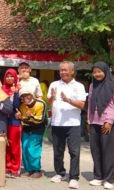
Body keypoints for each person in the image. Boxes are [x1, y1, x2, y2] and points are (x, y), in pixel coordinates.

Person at [47, 61, 86, 189]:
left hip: (73, 124)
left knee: (74, 152)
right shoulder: (54, 84)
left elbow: (82, 105)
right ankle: (60, 173)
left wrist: (68, 100)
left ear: (72, 71)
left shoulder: (79, 86)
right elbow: (49, 103)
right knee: (58, 151)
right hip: (57, 123)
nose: (63, 72)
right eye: (61, 70)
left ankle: (74, 177)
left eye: (65, 70)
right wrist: (52, 97)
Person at [88, 62, 114, 189]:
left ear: (106, 71)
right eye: (95, 72)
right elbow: (90, 103)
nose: (97, 74)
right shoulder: (92, 85)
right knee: (95, 150)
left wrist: (110, 121)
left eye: (99, 71)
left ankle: (109, 179)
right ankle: (98, 177)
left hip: (108, 123)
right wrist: (89, 121)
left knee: (108, 151)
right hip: (94, 122)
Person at [16, 85, 47, 179]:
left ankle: (37, 170)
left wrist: (29, 117)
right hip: (27, 129)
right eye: (22, 96)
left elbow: (39, 120)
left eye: (27, 95)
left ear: (31, 95)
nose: (25, 98)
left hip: (38, 129)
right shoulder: (22, 106)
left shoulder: (41, 103)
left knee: (33, 149)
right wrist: (23, 118)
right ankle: (29, 170)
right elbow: (21, 119)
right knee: (25, 148)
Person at [2, 69, 22, 178]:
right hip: (4, 121)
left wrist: (15, 93)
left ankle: (15, 168)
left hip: (14, 121)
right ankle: (7, 167)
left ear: (15, 77)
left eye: (12, 76)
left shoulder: (19, 89)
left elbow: (17, 106)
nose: (9, 78)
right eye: (7, 76)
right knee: (6, 145)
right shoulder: (2, 89)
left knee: (14, 145)